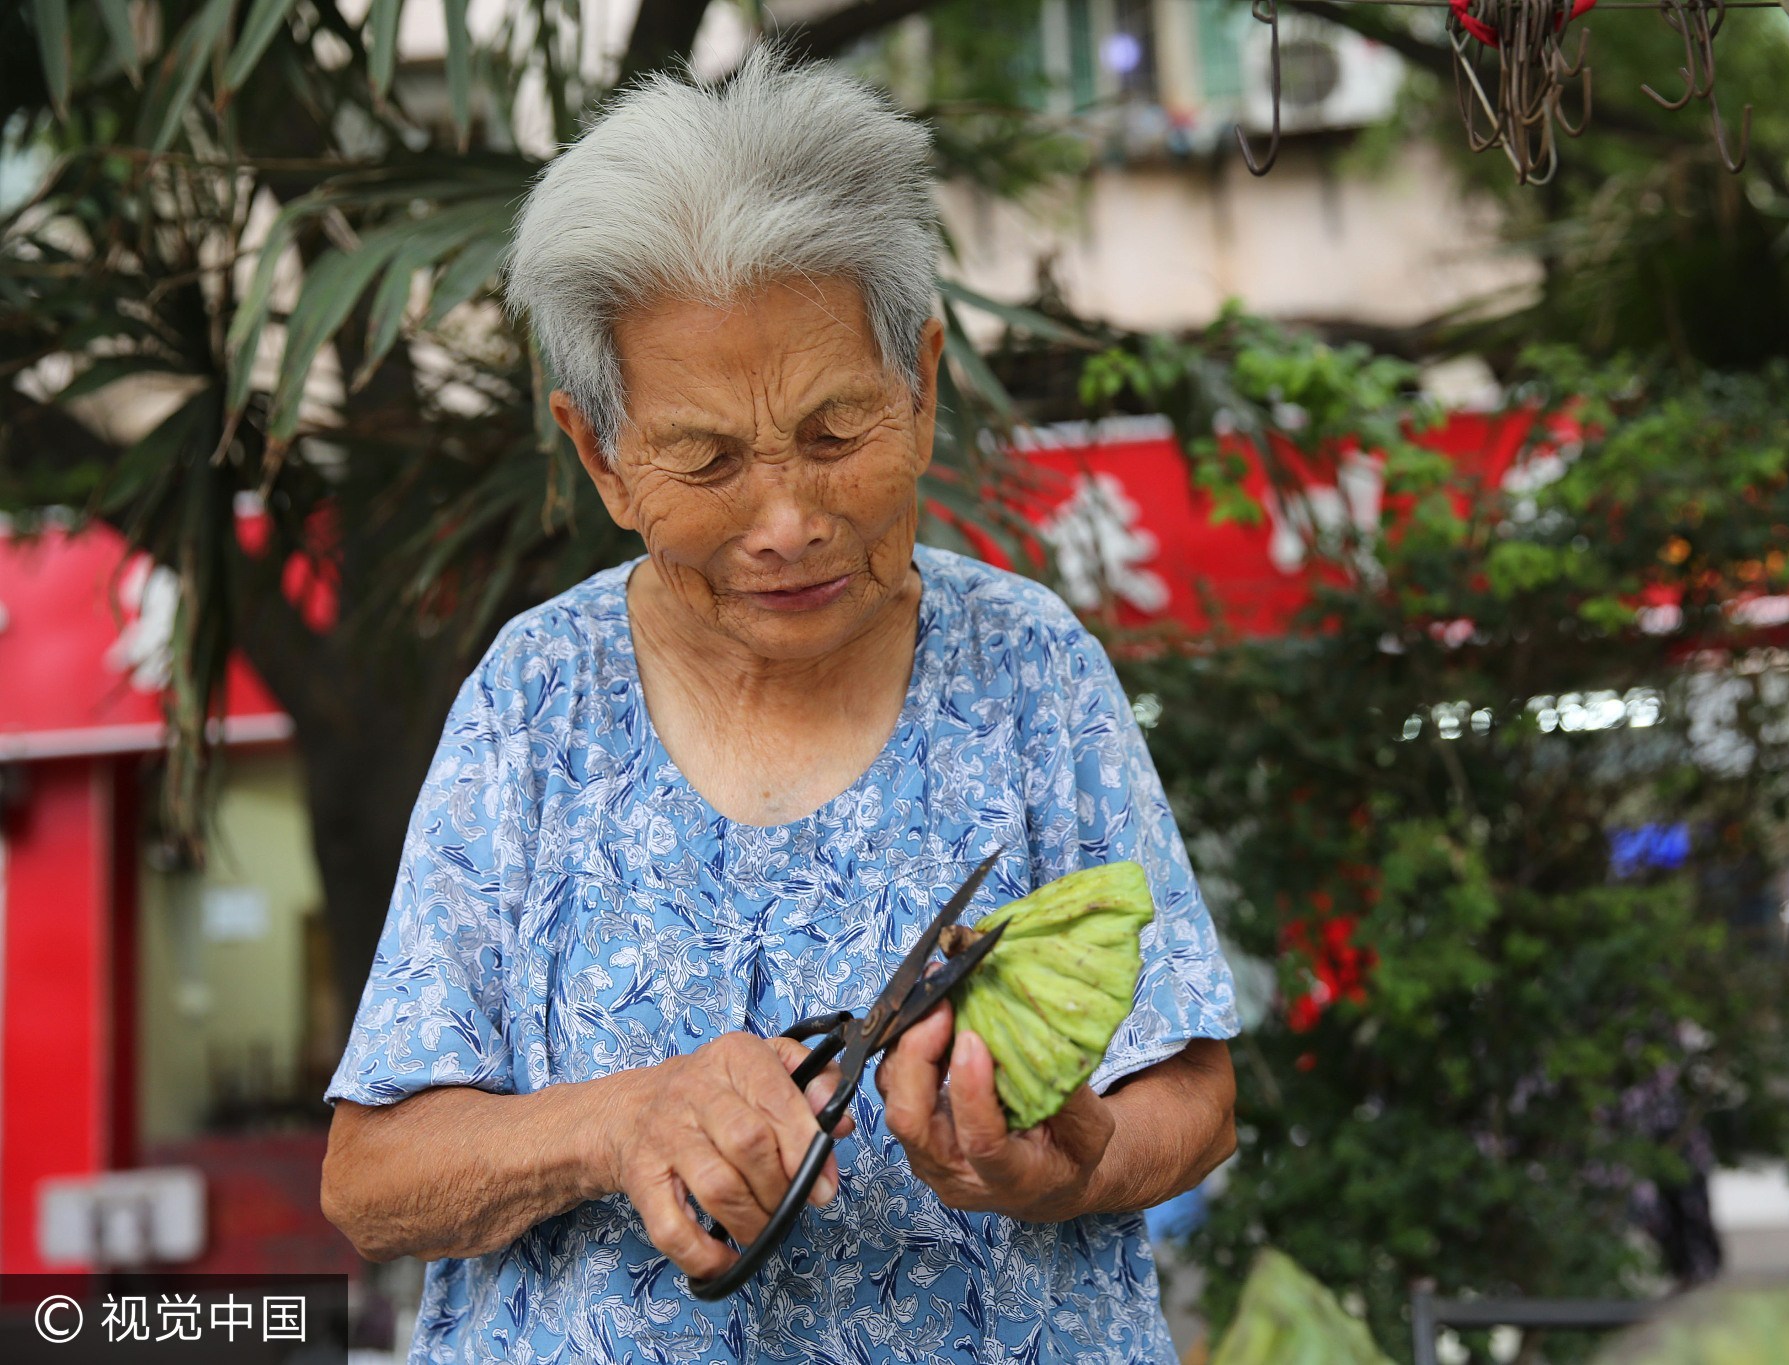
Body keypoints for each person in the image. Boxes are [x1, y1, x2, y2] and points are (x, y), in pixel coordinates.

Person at [319, 48, 1239, 1364]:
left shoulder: (1024, 666)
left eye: (834, 431)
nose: (789, 522)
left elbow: (1193, 1092)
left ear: (920, 386)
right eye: (707, 459)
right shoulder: (540, 699)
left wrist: (1070, 1172)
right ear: (603, 455)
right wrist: (616, 1122)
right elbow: (370, 1177)